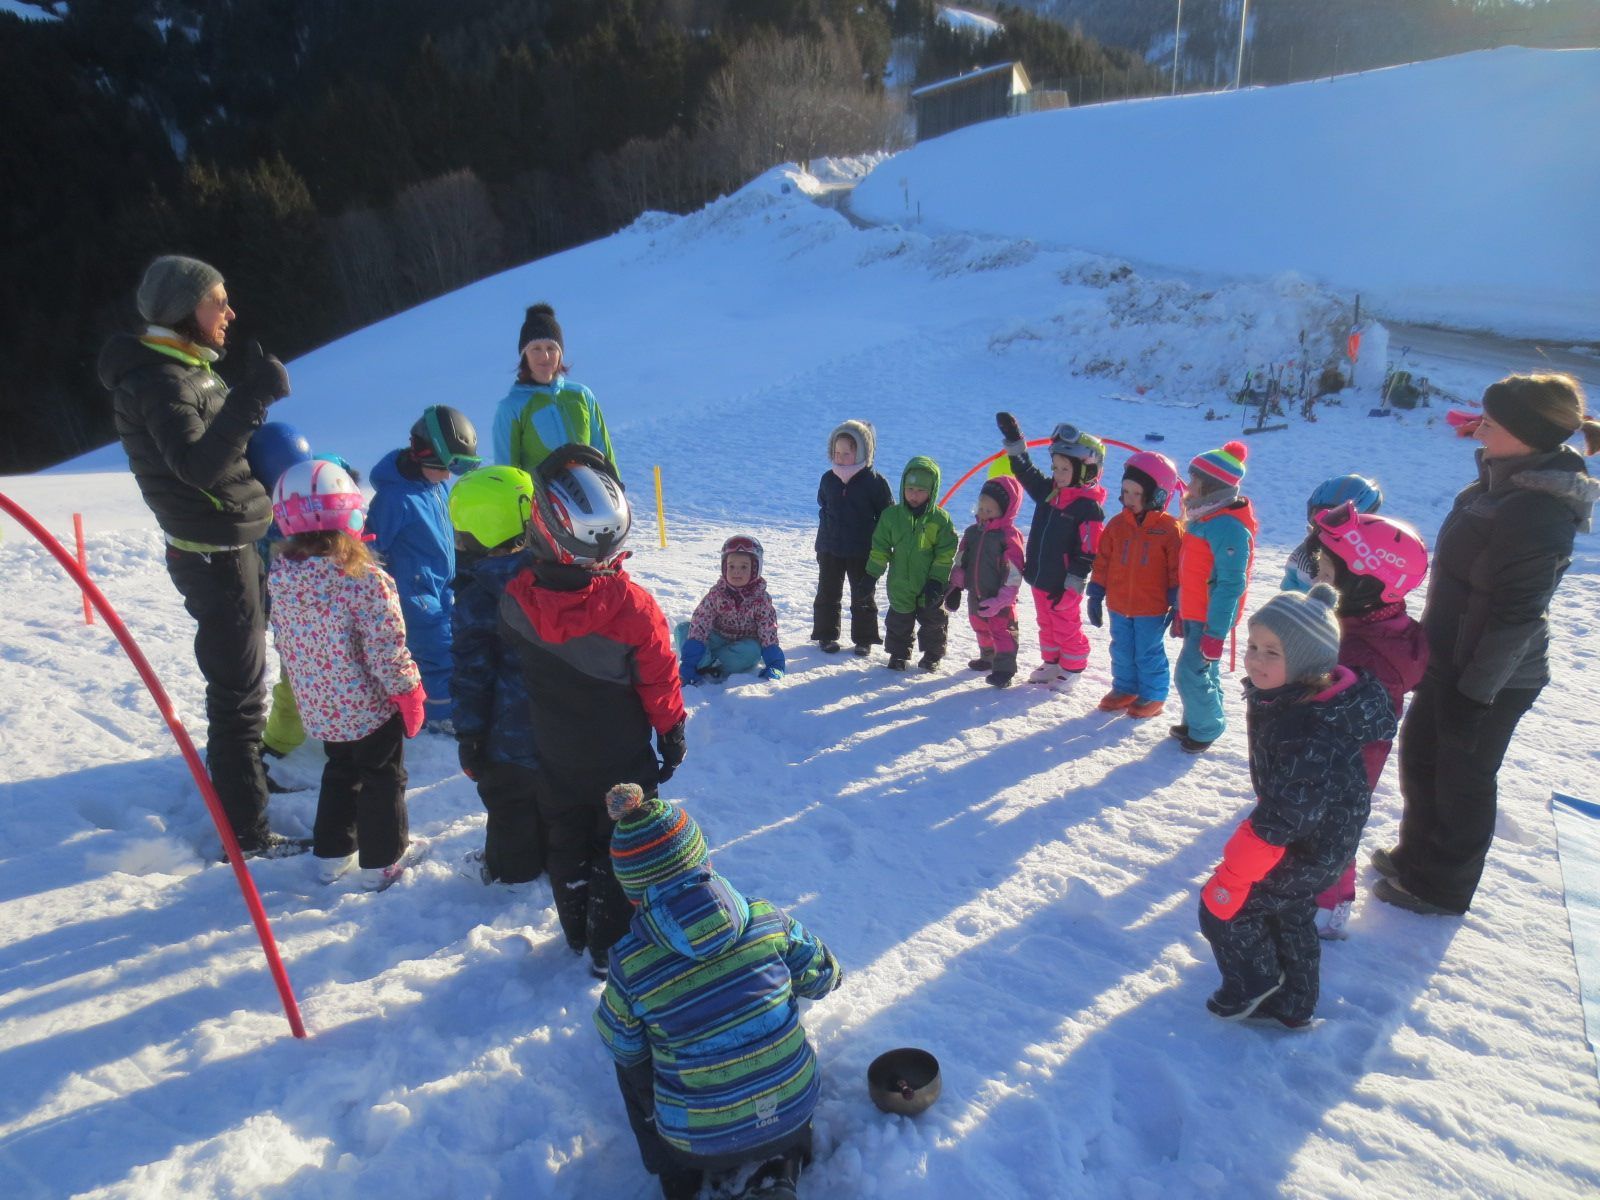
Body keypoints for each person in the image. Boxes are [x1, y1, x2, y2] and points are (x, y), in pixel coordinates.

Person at [1377, 374, 1600, 916]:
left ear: (1524, 435)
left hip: (1493, 676)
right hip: (1450, 657)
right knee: (1423, 758)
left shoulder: (1537, 511)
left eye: (1491, 423)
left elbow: (1515, 616)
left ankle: (1443, 886)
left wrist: (1474, 696)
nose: (1478, 431)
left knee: (1463, 776)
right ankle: (1416, 858)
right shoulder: (1499, 485)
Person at [98, 254, 295, 856]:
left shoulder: (186, 368)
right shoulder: (159, 380)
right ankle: (247, 834)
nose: (229, 313)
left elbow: (222, 452)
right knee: (238, 696)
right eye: (218, 301)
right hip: (214, 556)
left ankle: (248, 787)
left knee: (249, 683)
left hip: (235, 546)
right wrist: (255, 398)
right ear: (185, 310)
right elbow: (196, 466)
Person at [595, 783, 843, 1200]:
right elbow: (823, 976)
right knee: (772, 1014)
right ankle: (786, 1159)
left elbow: (619, 1043)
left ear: (634, 894)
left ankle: (675, 1174)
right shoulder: (766, 919)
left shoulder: (630, 962)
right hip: (794, 1108)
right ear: (703, 860)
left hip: (694, 1140)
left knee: (629, 1058)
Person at [499, 445, 687, 976]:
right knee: (621, 844)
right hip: (622, 758)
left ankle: (577, 929)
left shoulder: (515, 599)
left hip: (555, 753)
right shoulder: (633, 607)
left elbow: (511, 659)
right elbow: (658, 676)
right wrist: (671, 730)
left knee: (567, 840)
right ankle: (611, 947)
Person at [1198, 584, 1396, 1028]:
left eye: (1272, 652)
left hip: (1307, 843)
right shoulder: (1295, 699)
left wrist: (1240, 863)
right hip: (1323, 840)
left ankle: (1254, 981)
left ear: (1307, 662)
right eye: (1252, 646)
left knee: (1227, 905)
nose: (1255, 660)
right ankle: (1294, 1002)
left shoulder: (1309, 725)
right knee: (1290, 912)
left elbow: (1290, 808)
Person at [267, 460, 426, 890]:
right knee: (383, 777)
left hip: (321, 707)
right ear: (350, 516)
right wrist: (409, 692)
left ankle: (331, 854)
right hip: (369, 707)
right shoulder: (364, 580)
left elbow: (286, 640)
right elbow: (386, 650)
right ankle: (384, 861)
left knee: (340, 773)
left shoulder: (284, 576)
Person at [1304, 501, 1430, 938]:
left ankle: (1325, 908)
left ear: (1364, 584)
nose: (1315, 580)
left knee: (1328, 827)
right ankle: (1322, 897)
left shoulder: (1361, 656)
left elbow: (1344, 727)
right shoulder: (1365, 629)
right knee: (1325, 826)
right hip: (1333, 758)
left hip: (1340, 763)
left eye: (1325, 573)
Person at [448, 465, 546, 885]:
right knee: (553, 798)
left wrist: (468, 736)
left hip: (508, 736)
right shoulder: (554, 574)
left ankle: (512, 873)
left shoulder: (479, 595)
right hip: (564, 725)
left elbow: (472, 675)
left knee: (509, 804)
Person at [368, 405, 481, 730]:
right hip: (413, 595)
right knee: (437, 652)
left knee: (450, 642)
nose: (448, 476)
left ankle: (438, 701)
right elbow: (371, 547)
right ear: (424, 456)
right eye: (444, 468)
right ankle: (440, 715)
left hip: (442, 586)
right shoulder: (394, 500)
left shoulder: (434, 486)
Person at [995, 413, 1107, 692]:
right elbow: (1025, 471)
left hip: (1063, 584)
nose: (1056, 474)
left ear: (1086, 471)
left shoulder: (1088, 509)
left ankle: (1073, 666)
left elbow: (1088, 553)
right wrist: (1014, 440)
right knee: (1046, 622)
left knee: (1066, 624)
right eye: (1055, 467)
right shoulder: (1050, 492)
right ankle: (1053, 661)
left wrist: (1072, 586)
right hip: (1041, 576)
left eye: (1064, 469)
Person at [1171, 441, 1257, 753]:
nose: (1188, 485)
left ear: (1211, 486)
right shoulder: (1203, 519)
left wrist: (1216, 634)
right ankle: (1198, 720)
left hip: (1212, 617)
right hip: (1196, 612)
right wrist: (1181, 608)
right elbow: (1192, 572)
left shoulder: (1228, 527)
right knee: (1204, 670)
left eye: (1194, 480)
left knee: (1190, 672)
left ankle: (1206, 727)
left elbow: (1231, 585)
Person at [1087, 451, 1184, 718]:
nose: (1127, 498)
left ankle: (1153, 694)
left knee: (1147, 651)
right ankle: (1125, 688)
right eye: (1125, 491)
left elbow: (1177, 569)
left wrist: (1177, 601)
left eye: (1135, 493)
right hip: (1118, 604)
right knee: (1121, 649)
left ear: (1157, 495)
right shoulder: (1117, 526)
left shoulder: (1169, 530)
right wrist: (1096, 592)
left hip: (1151, 608)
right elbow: (1103, 561)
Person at [246, 421, 314, 771]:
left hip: (311, 608)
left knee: (308, 674)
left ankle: (316, 726)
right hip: (289, 614)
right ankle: (280, 743)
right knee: (295, 678)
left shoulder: (293, 505)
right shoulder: (261, 518)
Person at [491, 303, 615, 474]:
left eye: (551, 348)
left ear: (560, 354)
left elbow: (605, 455)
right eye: (536, 349)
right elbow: (507, 472)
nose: (545, 356)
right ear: (524, 355)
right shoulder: (511, 408)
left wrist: (618, 493)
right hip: (540, 499)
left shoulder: (581, 395)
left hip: (589, 495)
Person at [865, 456, 959, 671]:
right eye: (910, 489)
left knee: (934, 621)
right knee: (899, 620)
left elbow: (946, 552)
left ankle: (932, 655)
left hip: (930, 583)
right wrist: (871, 575)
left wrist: (937, 579)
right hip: (901, 582)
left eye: (921, 491)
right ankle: (898, 655)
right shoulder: (891, 517)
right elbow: (880, 547)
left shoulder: (940, 520)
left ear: (932, 491)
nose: (914, 495)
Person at [812, 420, 894, 656]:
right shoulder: (828, 479)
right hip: (830, 547)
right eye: (836, 452)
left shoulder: (874, 482)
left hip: (862, 550)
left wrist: (881, 543)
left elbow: (886, 514)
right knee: (827, 592)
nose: (840, 457)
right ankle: (826, 635)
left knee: (863, 594)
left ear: (862, 452)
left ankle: (864, 638)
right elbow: (823, 505)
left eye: (846, 453)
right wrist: (824, 536)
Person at [945, 476, 1026, 687]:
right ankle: (988, 657)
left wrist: (1004, 597)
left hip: (999, 596)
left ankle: (1005, 669)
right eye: (981, 508)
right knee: (979, 625)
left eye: (989, 511)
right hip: (975, 591)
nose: (982, 514)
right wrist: (956, 583)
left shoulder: (1008, 536)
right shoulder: (973, 532)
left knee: (1002, 630)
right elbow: (962, 557)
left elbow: (1014, 570)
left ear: (1005, 511)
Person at [677, 535, 785, 684]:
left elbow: (768, 632)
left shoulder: (761, 600)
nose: (736, 572)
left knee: (752, 651)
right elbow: (701, 621)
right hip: (717, 637)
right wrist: (689, 661)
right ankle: (699, 662)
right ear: (724, 567)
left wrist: (775, 664)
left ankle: (714, 664)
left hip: (742, 645)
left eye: (744, 567)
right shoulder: (717, 594)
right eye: (731, 566)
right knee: (683, 629)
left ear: (755, 570)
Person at [1281, 475, 1384, 593]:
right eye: (1319, 516)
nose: (1324, 525)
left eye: (1338, 519)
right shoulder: (1302, 554)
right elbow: (1287, 592)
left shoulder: (1366, 560)